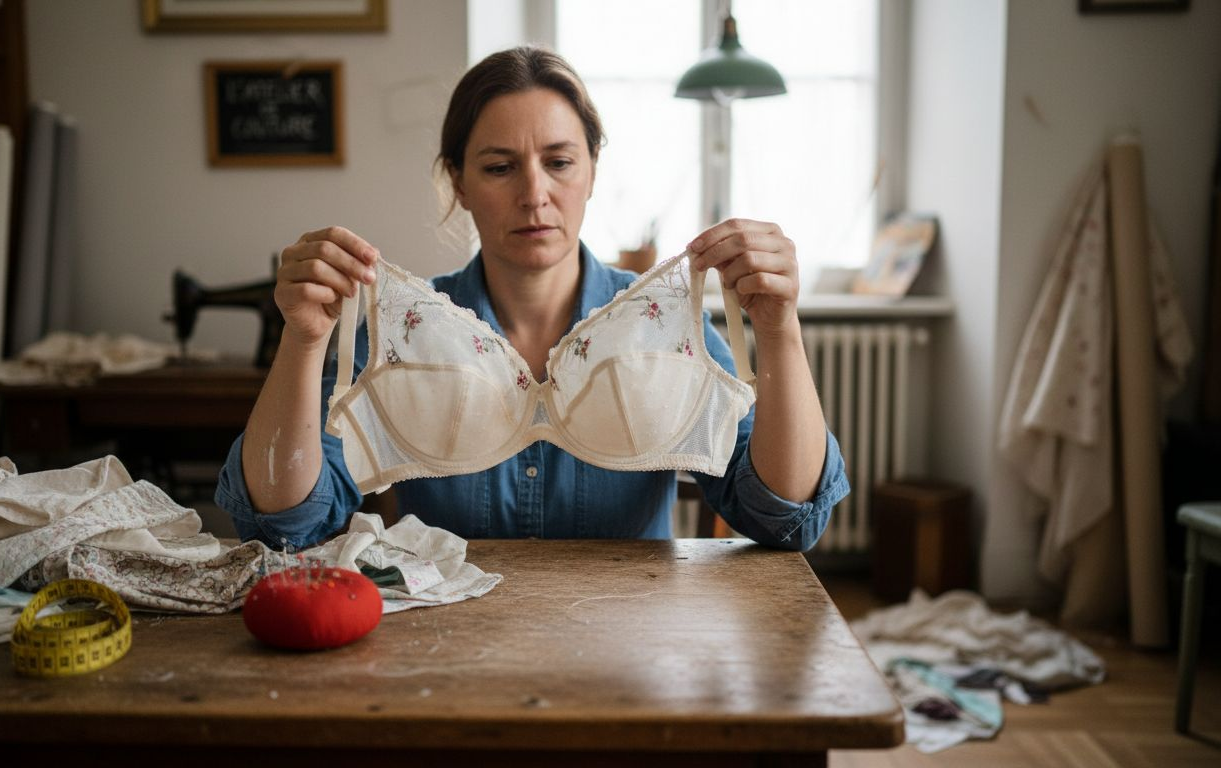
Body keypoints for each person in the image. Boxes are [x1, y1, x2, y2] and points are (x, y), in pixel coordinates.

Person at [215, 46, 848, 551]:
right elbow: (284, 526)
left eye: (560, 162)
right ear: (458, 182)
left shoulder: (663, 328)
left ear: (593, 169)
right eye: (499, 167)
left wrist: (779, 329)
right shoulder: (397, 334)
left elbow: (784, 519)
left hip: (635, 658)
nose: (534, 193)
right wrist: (302, 340)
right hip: (451, 654)